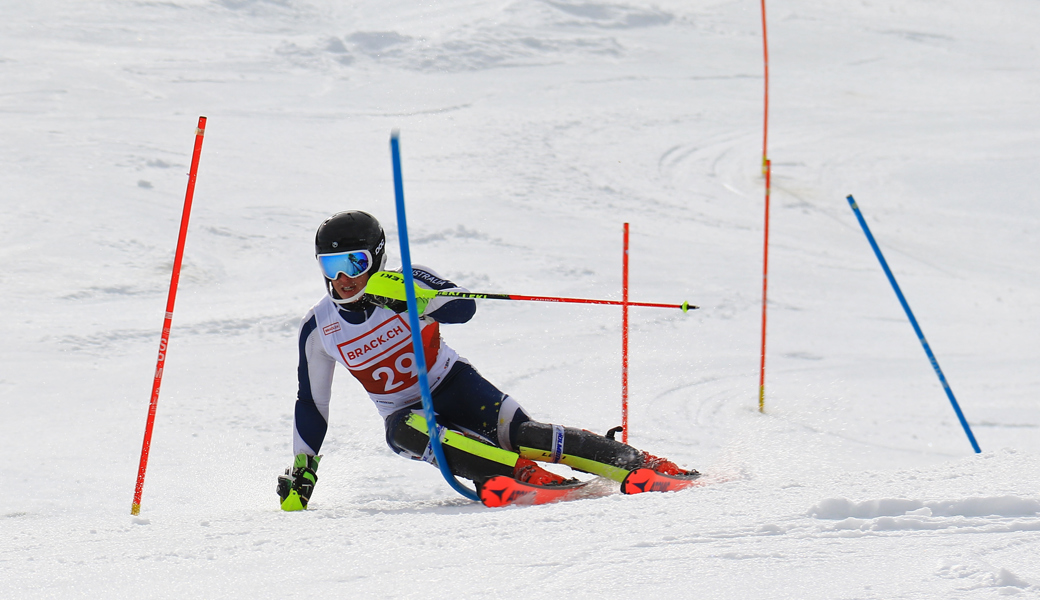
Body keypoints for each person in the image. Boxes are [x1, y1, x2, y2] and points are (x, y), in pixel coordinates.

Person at [277, 210, 696, 510]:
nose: (343, 277)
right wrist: (303, 466)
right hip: (406, 411)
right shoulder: (319, 327)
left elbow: (464, 310)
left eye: (355, 262)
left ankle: (639, 465)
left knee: (525, 434)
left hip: (455, 385)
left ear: (377, 258)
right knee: (403, 430)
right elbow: (312, 403)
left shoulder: (407, 280)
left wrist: (413, 303)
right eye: (331, 265)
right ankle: (519, 476)